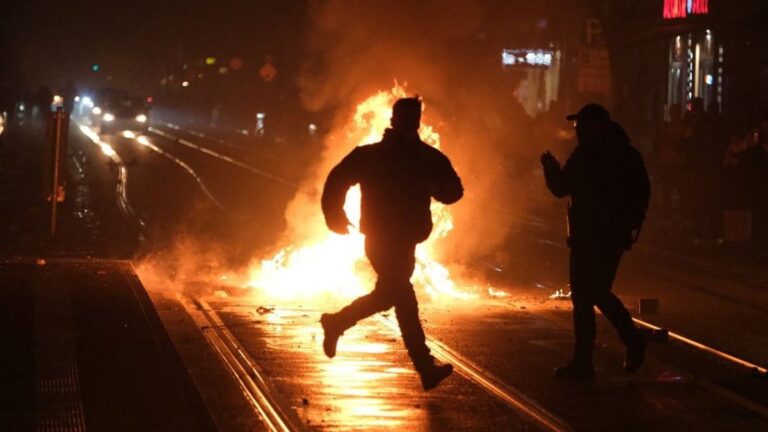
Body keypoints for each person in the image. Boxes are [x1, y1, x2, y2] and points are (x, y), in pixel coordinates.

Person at [319, 97, 464, 391]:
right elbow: (337, 180)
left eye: (413, 118)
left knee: (389, 295)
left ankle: (337, 322)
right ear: (396, 120)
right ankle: (425, 367)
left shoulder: (418, 157)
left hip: (404, 239)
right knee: (403, 295)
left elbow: (453, 191)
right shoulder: (383, 155)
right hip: (382, 238)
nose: (410, 123)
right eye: (406, 118)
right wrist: (335, 215)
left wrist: (436, 188)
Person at [540, 103, 650, 379]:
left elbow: (561, 187)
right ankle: (589, 357)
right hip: (592, 235)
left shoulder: (609, 156)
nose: (577, 132)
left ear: (597, 127)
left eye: (580, 126)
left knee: (592, 292)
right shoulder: (603, 153)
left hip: (602, 235)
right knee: (588, 294)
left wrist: (551, 170)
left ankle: (618, 346)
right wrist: (551, 170)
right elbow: (563, 187)